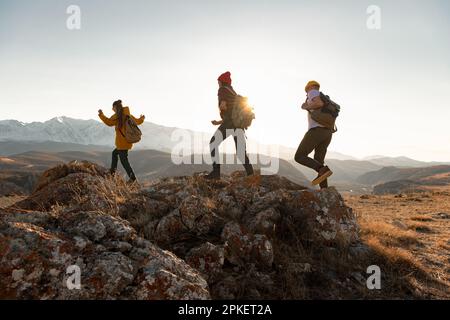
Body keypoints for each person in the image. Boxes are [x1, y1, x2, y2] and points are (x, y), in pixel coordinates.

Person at [206, 71, 254, 180]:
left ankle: (216, 173)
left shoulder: (222, 90)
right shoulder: (233, 92)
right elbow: (233, 114)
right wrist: (218, 122)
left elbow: (224, 107)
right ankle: (251, 175)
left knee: (213, 143)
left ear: (222, 82)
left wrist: (221, 107)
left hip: (229, 124)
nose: (218, 84)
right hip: (239, 126)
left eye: (218, 82)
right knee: (241, 153)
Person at [294, 81, 334, 188]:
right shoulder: (324, 97)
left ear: (310, 87)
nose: (307, 93)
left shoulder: (313, 92)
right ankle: (324, 191)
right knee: (319, 161)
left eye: (306, 90)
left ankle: (322, 169)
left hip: (316, 131)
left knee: (299, 156)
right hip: (328, 132)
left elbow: (318, 103)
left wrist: (305, 106)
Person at [98, 100, 145, 183]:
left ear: (115, 107)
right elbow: (137, 121)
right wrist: (142, 118)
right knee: (114, 153)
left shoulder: (117, 116)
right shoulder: (128, 115)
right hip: (127, 142)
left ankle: (133, 179)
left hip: (121, 143)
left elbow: (108, 122)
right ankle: (112, 172)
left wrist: (101, 115)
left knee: (124, 161)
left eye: (113, 108)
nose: (112, 109)